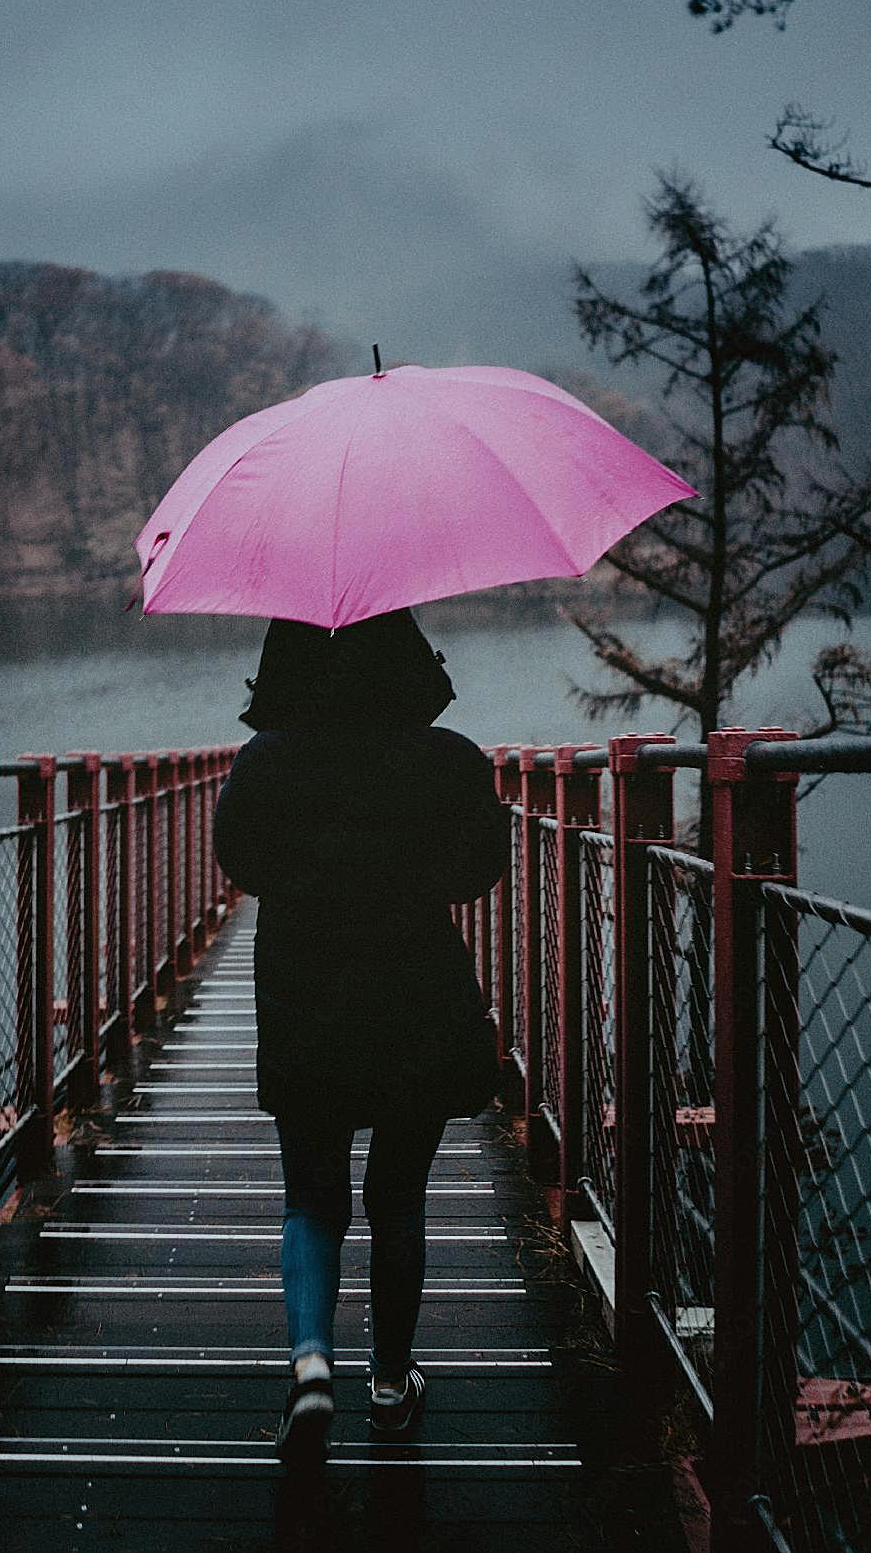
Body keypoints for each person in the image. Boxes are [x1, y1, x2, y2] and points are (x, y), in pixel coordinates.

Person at [212, 609, 511, 1467]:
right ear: (407, 657)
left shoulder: (263, 763)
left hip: (303, 991)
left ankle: (311, 1364)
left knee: (310, 1192)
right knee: (398, 1196)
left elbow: (242, 862)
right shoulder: (449, 760)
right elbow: (476, 874)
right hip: (414, 994)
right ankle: (388, 1382)